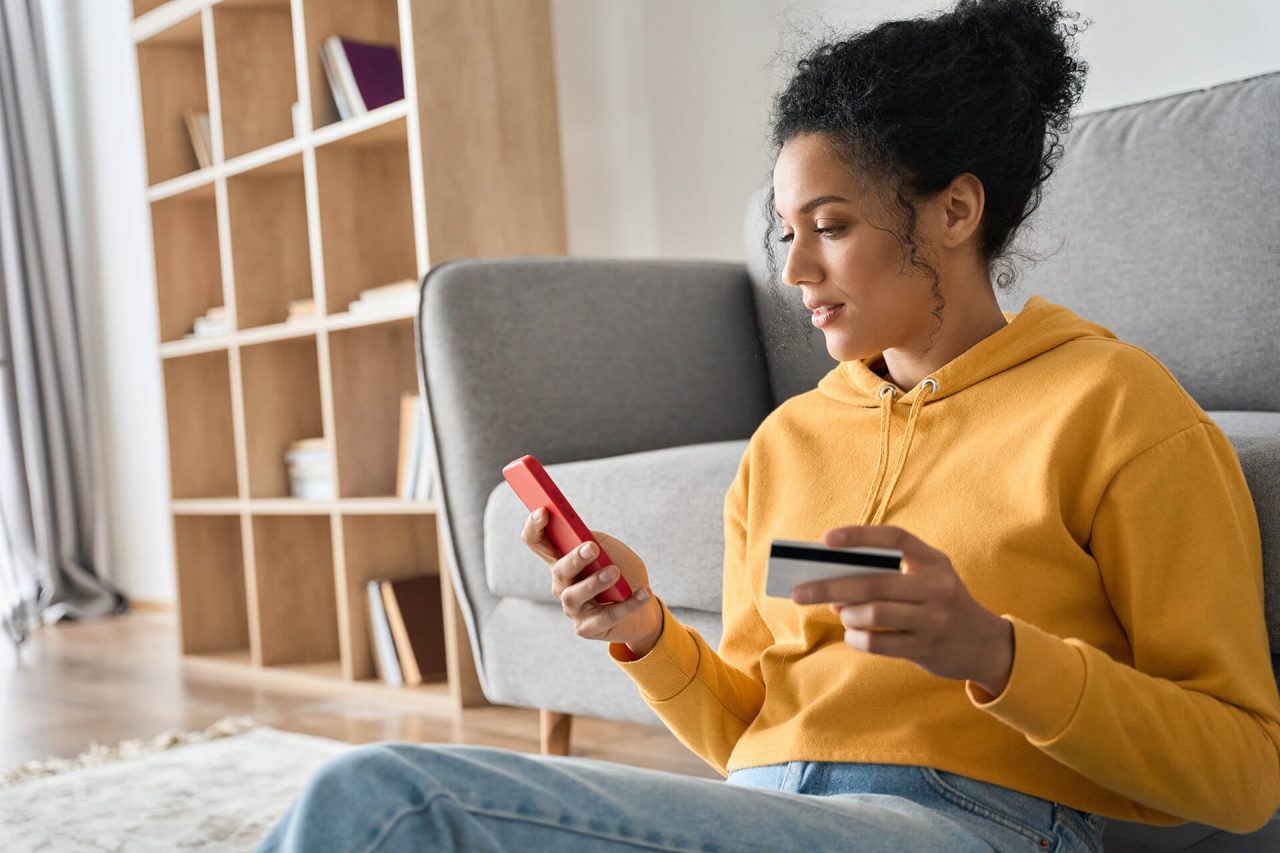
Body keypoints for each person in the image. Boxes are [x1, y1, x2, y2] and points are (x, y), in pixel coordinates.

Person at [257, 1, 1280, 850]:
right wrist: (644, 631)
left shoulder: (1115, 410)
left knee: (390, 805)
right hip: (770, 810)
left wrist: (996, 653)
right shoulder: (787, 445)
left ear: (954, 213)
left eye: (830, 228)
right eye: (784, 235)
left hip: (979, 822)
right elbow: (752, 727)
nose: (794, 273)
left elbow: (1241, 775)